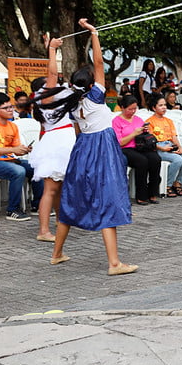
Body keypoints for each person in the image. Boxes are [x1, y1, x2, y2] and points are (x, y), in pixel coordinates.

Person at [50, 18, 136, 276]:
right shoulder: (95, 95)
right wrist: (94, 34)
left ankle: (56, 254)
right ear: (90, 84)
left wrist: (52, 50)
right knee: (108, 200)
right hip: (102, 149)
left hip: (82, 149)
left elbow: (53, 77)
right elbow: (99, 63)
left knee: (73, 200)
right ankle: (114, 264)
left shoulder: (70, 99)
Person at [29, 37, 77, 241]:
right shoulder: (46, 97)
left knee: (58, 187)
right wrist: (52, 50)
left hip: (59, 142)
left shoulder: (45, 104)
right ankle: (43, 231)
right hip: (57, 144)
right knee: (51, 189)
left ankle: (60, 222)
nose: (55, 82)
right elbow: (52, 72)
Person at [0, 93, 44, 220]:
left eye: (11, 107)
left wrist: (24, 150)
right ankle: (12, 210)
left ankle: (37, 206)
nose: (11, 110)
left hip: (11, 160)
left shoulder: (12, 126)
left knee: (38, 168)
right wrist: (14, 149)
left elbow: (16, 150)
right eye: (7, 108)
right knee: (19, 171)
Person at [113, 95, 161, 205]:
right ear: (122, 108)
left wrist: (145, 131)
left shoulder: (138, 119)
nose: (133, 111)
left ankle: (153, 192)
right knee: (142, 161)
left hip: (140, 146)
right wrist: (134, 133)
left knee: (155, 159)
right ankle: (141, 195)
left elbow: (144, 136)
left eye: (135, 108)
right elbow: (119, 142)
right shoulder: (117, 121)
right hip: (125, 148)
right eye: (130, 109)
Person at [147, 94, 182, 198]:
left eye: (164, 105)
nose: (164, 107)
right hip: (158, 148)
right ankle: (167, 185)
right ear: (154, 107)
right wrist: (162, 148)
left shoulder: (169, 121)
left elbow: (174, 137)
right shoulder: (149, 122)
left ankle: (178, 183)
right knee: (178, 160)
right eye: (160, 105)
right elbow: (150, 141)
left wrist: (180, 147)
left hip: (170, 146)